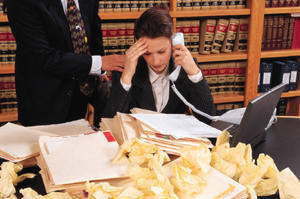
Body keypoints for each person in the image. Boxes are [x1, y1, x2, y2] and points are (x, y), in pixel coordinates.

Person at [7, 0, 125, 126]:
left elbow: (94, 35)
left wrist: (99, 74)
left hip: (82, 97)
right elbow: (43, 57)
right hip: (45, 101)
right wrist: (99, 63)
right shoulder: (20, 3)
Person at [104, 6, 215, 124]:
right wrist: (127, 77)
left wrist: (194, 74)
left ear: (173, 42)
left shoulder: (185, 66)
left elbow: (208, 119)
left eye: (162, 52)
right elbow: (109, 123)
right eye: (147, 54)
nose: (155, 61)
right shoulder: (126, 68)